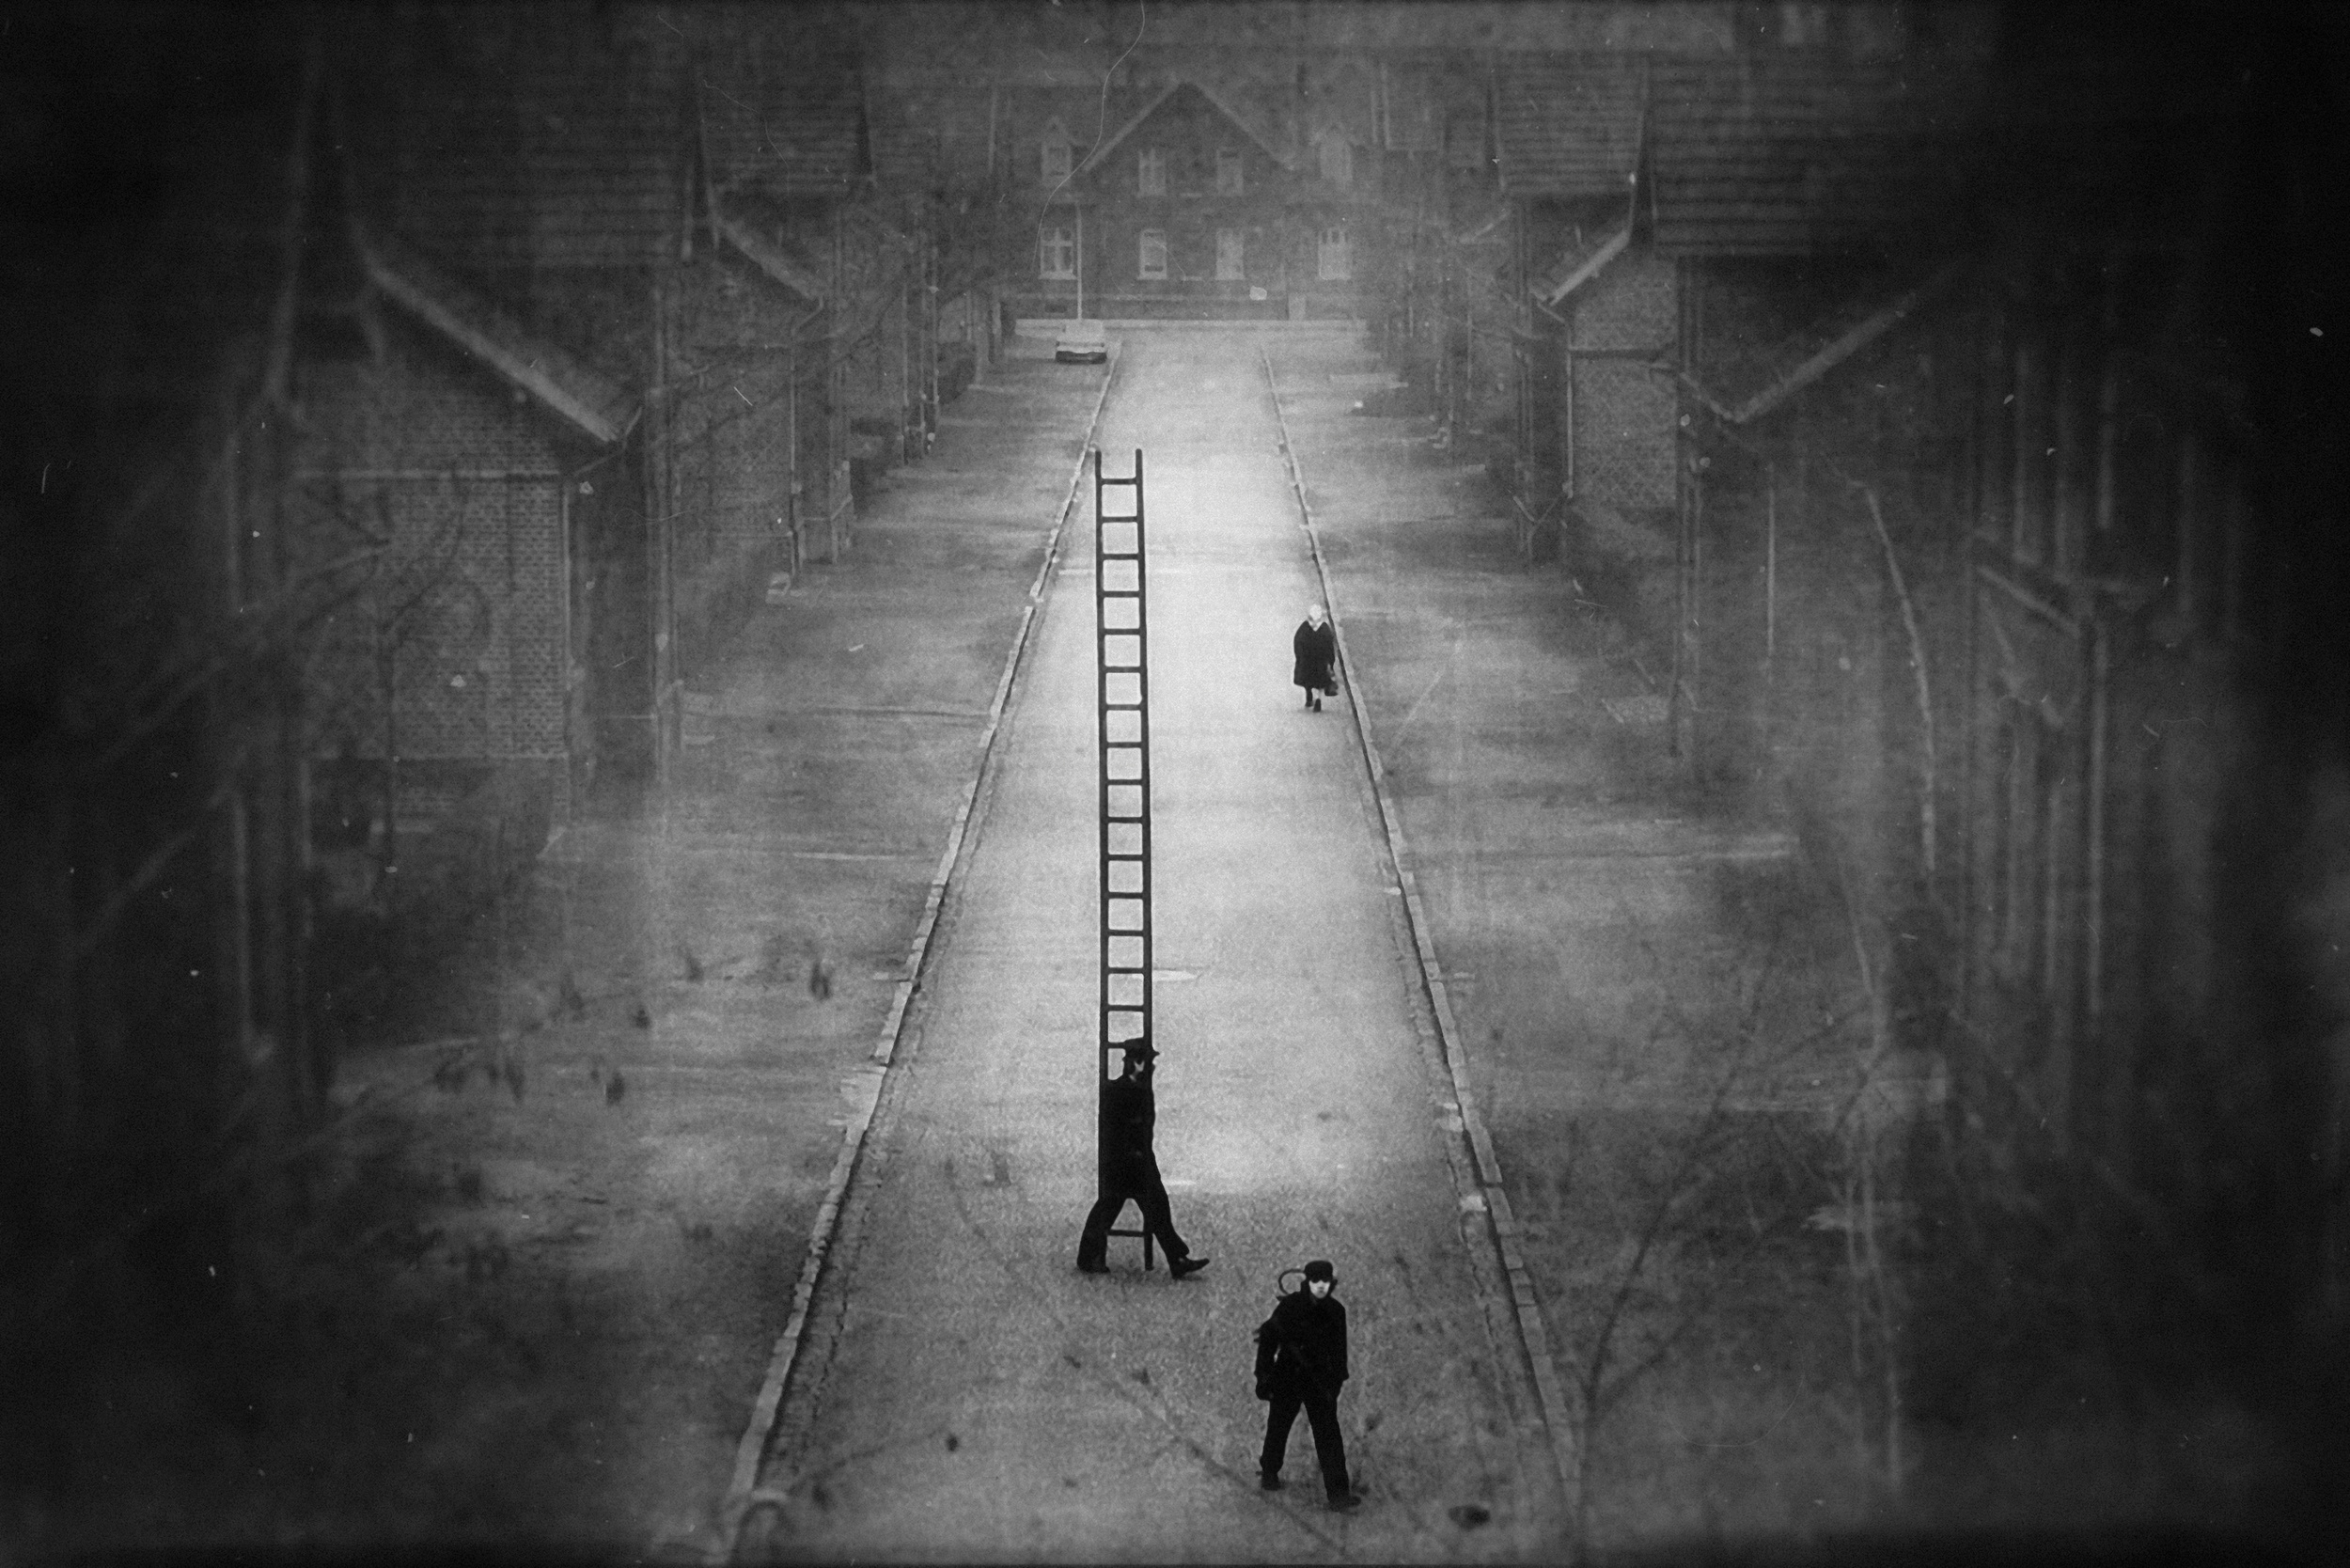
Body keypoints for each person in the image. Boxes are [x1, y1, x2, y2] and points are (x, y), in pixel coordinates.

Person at [1076, 1040, 1209, 1278]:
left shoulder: (1137, 1089)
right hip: (1125, 1164)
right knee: (1133, 1208)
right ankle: (1176, 1259)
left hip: (1137, 1163)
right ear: (1137, 1064)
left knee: (1136, 1208)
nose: (1152, 1066)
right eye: (1148, 1062)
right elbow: (1116, 1131)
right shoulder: (1119, 1091)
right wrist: (1132, 1155)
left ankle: (1175, 1259)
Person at [1255, 1259, 1358, 1510]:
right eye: (1316, 1281)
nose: (1321, 1286)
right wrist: (1263, 1375)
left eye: (1326, 1281)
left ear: (1331, 1283)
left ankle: (1338, 1493)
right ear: (1307, 1282)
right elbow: (1268, 1339)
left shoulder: (1336, 1311)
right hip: (1288, 1376)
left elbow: (1339, 1351)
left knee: (1328, 1436)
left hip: (1319, 1381)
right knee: (1279, 1426)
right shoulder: (1290, 1307)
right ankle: (1269, 1470)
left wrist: (1335, 1382)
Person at [1292, 604, 1337, 713]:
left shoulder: (1304, 628)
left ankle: (1309, 694)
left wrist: (1299, 657)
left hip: (1306, 661)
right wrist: (1330, 662)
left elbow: (1297, 643)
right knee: (1320, 682)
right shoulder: (1325, 629)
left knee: (1307, 679)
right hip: (1320, 662)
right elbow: (1330, 647)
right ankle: (1318, 699)